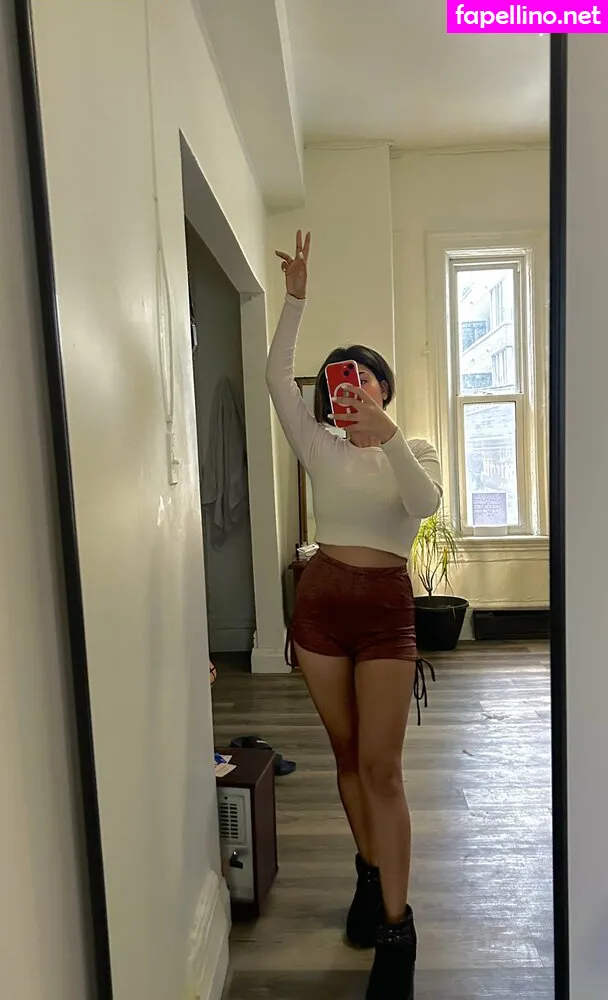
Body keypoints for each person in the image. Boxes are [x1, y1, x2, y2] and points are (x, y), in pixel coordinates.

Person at [266, 230, 443, 1000]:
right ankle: (369, 879)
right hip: (322, 606)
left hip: (384, 612)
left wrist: (390, 437)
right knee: (346, 759)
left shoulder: (416, 449)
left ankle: (397, 934)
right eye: (343, 378)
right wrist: (295, 299)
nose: (355, 384)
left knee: (383, 769)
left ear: (384, 388)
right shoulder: (317, 445)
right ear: (330, 395)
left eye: (366, 375)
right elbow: (275, 376)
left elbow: (424, 505)